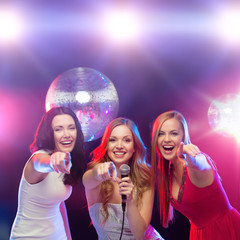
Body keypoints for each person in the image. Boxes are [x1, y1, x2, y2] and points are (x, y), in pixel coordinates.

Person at [151, 110, 240, 239]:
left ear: (183, 136)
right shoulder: (167, 172)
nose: (166, 139)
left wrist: (188, 155)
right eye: (161, 134)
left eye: (174, 133)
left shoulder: (197, 161)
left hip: (226, 231)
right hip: (198, 235)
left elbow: (199, 163)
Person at [10, 106, 86, 240]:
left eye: (71, 128)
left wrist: (68, 237)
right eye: (58, 129)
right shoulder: (38, 158)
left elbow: (58, 201)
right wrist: (52, 161)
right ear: (50, 133)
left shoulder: (68, 160)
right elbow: (41, 163)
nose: (66, 134)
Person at [83, 117, 164, 240]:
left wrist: (130, 200)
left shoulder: (146, 178)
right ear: (106, 145)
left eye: (126, 140)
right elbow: (87, 181)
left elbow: (139, 234)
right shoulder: (96, 176)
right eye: (113, 140)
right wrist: (97, 173)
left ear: (135, 146)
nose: (119, 146)